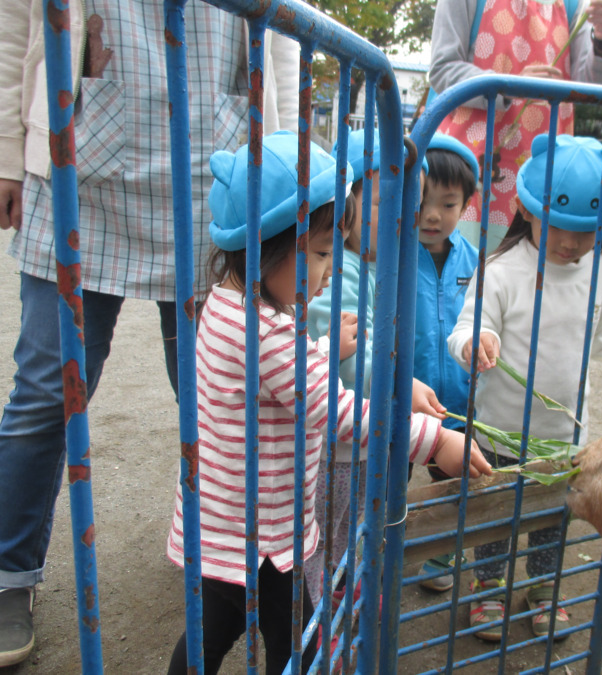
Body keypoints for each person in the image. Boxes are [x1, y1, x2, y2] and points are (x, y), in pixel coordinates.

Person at [0, 1, 299, 665]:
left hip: (210, 166)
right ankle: (8, 571)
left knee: (223, 390)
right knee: (49, 386)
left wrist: (283, 162)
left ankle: (225, 546)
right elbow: (17, 19)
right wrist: (5, 156)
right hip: (81, 156)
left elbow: (279, 36)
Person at [165, 131, 492, 674]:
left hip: (228, 524)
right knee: (293, 643)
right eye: (318, 254)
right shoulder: (265, 331)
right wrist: (433, 439)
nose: (325, 270)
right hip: (256, 536)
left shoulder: (229, 303)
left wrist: (318, 348)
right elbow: (333, 407)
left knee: (219, 633)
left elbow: (275, 380)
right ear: (269, 245)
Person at [447, 133, 602, 640]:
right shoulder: (503, 271)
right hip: (499, 433)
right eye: (558, 227)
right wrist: (476, 340)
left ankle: (545, 588)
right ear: (528, 212)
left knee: (552, 520)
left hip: (561, 435)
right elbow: (466, 326)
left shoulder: (595, 275)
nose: (571, 242)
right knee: (494, 518)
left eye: (586, 230)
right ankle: (488, 588)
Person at [304, 129, 443, 607]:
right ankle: (321, 615)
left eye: (413, 204)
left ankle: (344, 595)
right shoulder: (334, 269)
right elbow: (349, 362)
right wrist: (407, 388)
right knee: (327, 534)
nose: (404, 218)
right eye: (386, 203)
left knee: (358, 523)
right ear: (349, 201)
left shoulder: (377, 265)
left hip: (362, 440)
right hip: (332, 447)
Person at [429, 0, 602, 229]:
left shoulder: (573, 4)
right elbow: (442, 68)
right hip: (470, 168)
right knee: (466, 257)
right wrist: (509, 86)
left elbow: (596, 87)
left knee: (533, 259)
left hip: (544, 170)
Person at [414, 132, 480, 592]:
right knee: (387, 474)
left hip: (455, 400)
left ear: (466, 207)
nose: (433, 215)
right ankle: (382, 542)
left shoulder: (473, 261)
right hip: (404, 395)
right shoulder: (392, 254)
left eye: (449, 204)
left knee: (447, 478)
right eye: (423, 200)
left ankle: (441, 551)